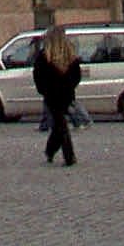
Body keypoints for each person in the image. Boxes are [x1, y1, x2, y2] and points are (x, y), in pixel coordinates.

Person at [33, 23, 82, 167]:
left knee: (60, 124)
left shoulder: (44, 56)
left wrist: (43, 90)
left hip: (51, 95)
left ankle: (68, 155)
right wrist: (70, 86)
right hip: (66, 94)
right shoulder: (70, 56)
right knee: (59, 123)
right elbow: (77, 76)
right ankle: (51, 151)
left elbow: (38, 76)